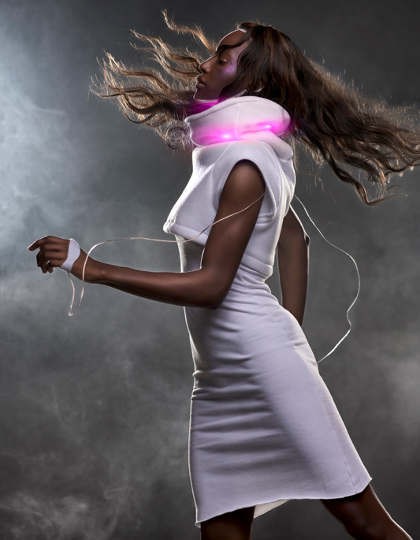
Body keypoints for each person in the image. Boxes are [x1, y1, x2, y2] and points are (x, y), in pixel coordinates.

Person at [28, 11, 419, 540]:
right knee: (222, 532)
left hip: (261, 365)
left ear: (251, 78)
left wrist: (89, 268)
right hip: (216, 381)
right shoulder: (249, 153)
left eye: (222, 56)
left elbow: (212, 287)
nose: (205, 64)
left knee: (365, 522)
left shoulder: (246, 161)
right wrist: (291, 333)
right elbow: (295, 240)